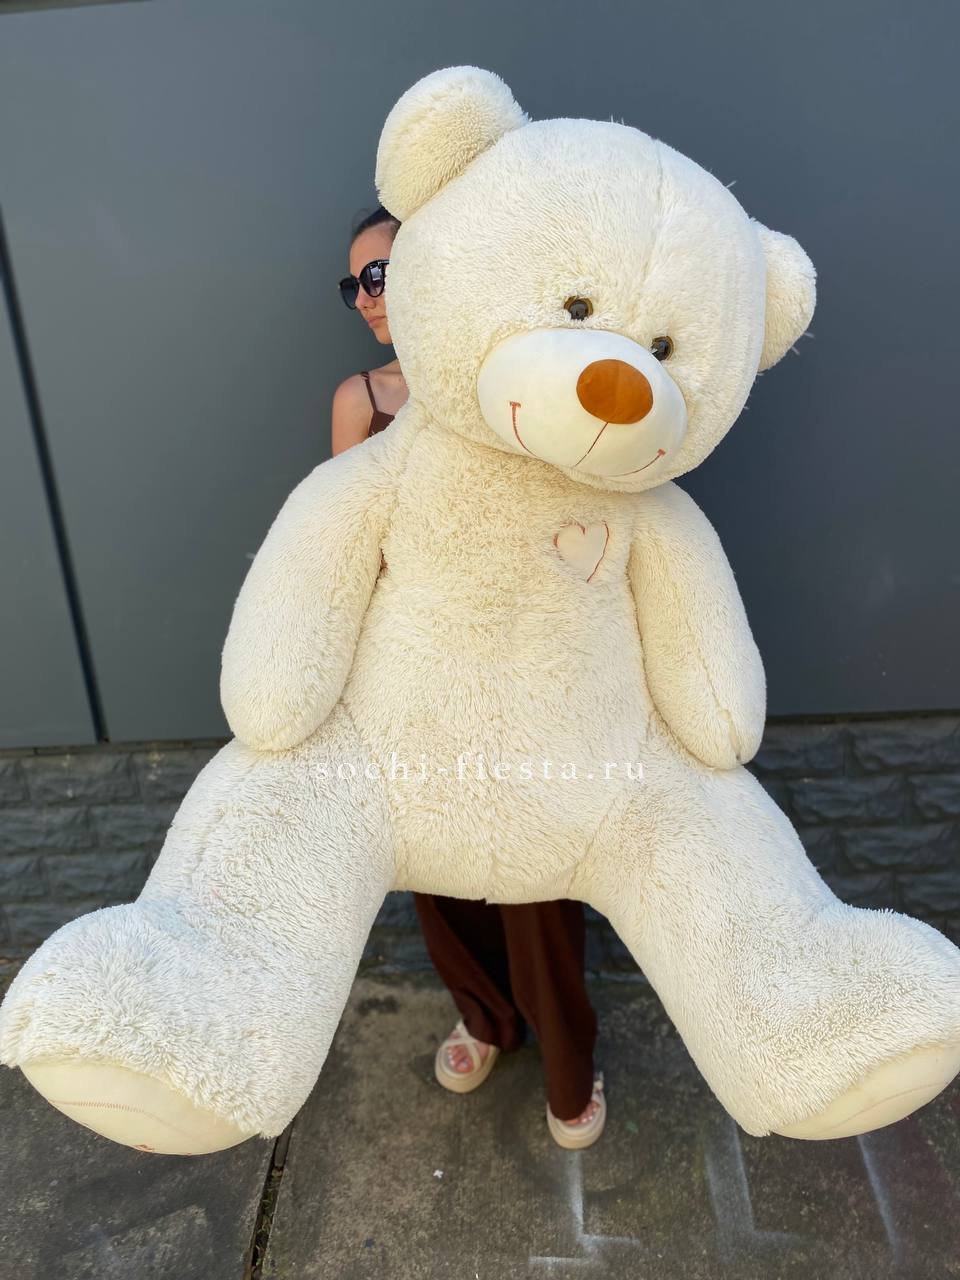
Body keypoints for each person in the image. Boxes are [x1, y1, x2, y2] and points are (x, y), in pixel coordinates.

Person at [330, 205, 606, 1149]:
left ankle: (569, 1063)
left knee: (536, 877)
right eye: (354, 284)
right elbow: (348, 547)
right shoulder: (361, 398)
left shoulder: (506, 384)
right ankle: (484, 1018)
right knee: (436, 871)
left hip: (516, 668)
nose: (367, 298)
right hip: (413, 675)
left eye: (379, 274)